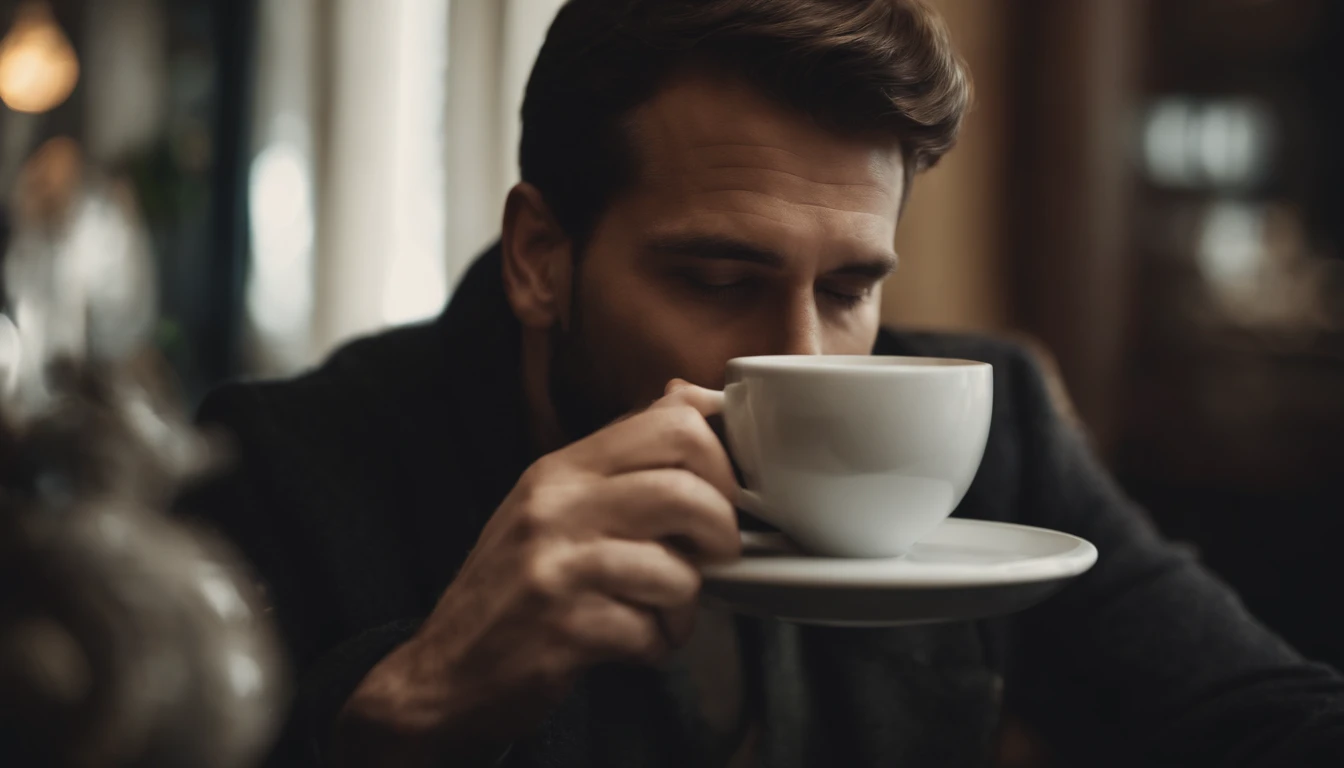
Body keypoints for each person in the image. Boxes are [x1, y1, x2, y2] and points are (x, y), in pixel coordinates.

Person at [182, 1, 1344, 766]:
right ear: (543, 259)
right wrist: (413, 702)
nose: (803, 352)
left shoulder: (996, 428)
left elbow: (1261, 719)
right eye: (715, 276)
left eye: (849, 288)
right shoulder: (278, 471)